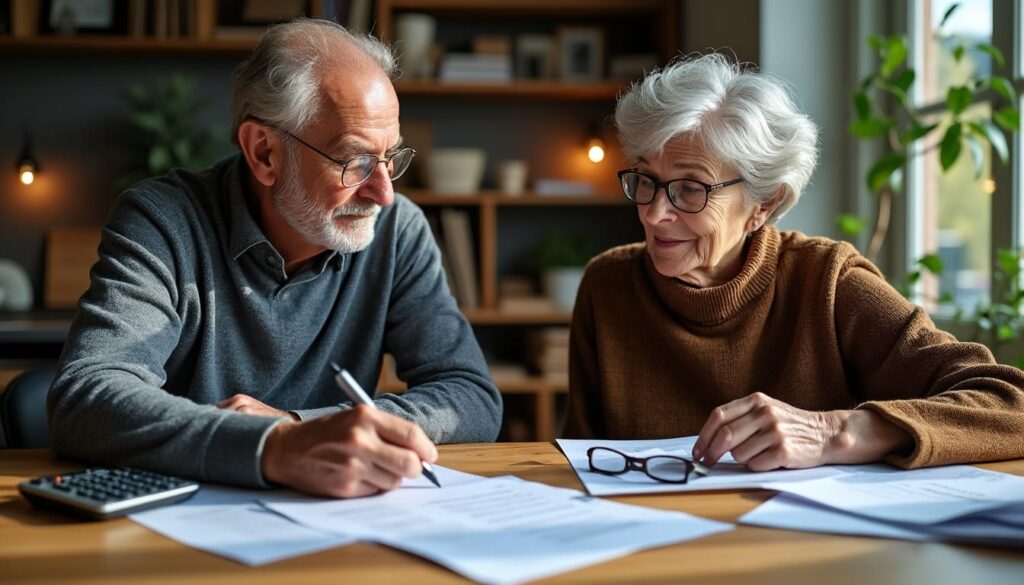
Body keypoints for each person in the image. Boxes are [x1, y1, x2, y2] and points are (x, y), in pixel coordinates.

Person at [48, 19, 502, 498]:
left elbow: (470, 396)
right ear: (264, 152)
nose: (384, 194)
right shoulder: (164, 221)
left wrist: (303, 426)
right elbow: (87, 397)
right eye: (356, 161)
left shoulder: (397, 231)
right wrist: (274, 446)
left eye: (391, 157)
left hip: (337, 517)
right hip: (186, 520)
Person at [563, 53, 1024, 471]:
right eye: (646, 179)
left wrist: (836, 432)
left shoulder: (828, 281)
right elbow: (580, 462)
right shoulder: (608, 286)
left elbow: (1012, 404)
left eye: (690, 188)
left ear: (763, 203)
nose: (653, 212)